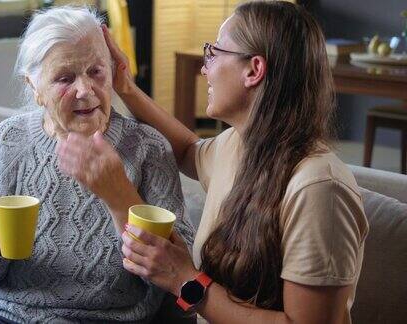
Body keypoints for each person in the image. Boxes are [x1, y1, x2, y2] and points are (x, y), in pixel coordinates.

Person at [57, 1, 368, 323]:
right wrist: (126, 88)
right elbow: (189, 151)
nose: (205, 68)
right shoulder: (241, 145)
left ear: (254, 70)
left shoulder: (319, 190)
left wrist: (184, 280)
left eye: (214, 53)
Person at [0, 6, 195, 324]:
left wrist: (120, 196)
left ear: (113, 71)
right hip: (10, 316)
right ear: (34, 88)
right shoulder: (7, 141)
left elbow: (178, 278)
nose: (85, 91)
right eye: (65, 78)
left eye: (96, 71)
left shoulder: (147, 148)